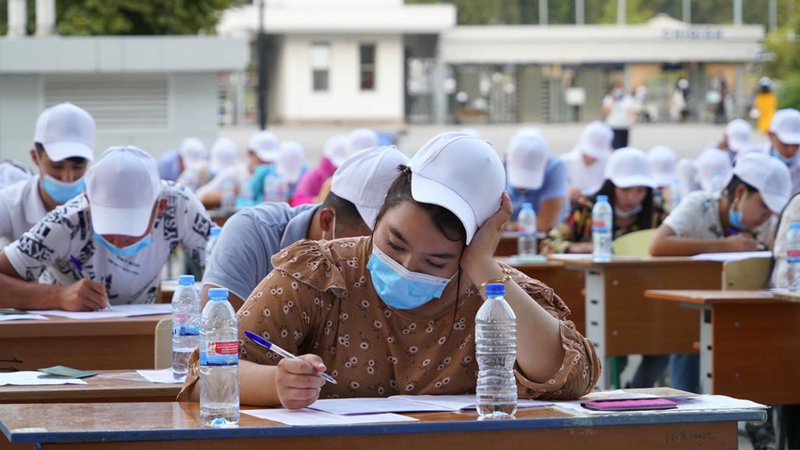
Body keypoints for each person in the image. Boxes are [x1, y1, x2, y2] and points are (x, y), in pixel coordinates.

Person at [178, 132, 600, 407]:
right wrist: (276, 384)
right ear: (378, 214)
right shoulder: (321, 274)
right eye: (394, 243)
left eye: (437, 261)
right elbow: (206, 371)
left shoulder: (491, 290)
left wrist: (481, 268)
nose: (407, 267)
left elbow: (572, 376)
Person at [0, 146, 213, 310]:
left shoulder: (180, 206)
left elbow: (228, 268)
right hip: (69, 336)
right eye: (108, 228)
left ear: (160, 208)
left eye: (131, 230)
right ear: (88, 202)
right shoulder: (68, 221)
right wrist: (57, 296)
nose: (119, 241)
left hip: (144, 332)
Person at [201, 146, 409, 310]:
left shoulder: (395, 269)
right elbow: (220, 341)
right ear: (327, 221)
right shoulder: (254, 234)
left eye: (395, 243)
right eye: (370, 240)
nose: (379, 252)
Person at [649, 152, 790, 257]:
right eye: (764, 205)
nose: (767, 216)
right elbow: (657, 245)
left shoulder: (769, 225)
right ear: (740, 193)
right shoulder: (699, 205)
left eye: (773, 210)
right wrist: (726, 246)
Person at [0, 102, 95, 244]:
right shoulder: (10, 203)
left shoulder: (101, 203)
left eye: (78, 167)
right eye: (57, 166)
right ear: (35, 157)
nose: (67, 178)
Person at [544, 147, 666, 255]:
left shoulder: (657, 213)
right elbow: (548, 244)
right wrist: (582, 248)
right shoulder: (586, 208)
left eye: (640, 191)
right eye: (625, 190)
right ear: (611, 187)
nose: (632, 197)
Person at [504, 128, 568, 232]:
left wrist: (510, 226)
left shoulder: (555, 167)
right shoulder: (500, 167)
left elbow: (546, 223)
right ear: (507, 158)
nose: (523, 186)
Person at [195, 130, 279, 209]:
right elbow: (200, 195)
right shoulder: (233, 174)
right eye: (262, 160)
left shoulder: (277, 177)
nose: (266, 165)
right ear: (250, 153)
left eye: (270, 161)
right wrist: (228, 196)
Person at [562, 121, 614, 199]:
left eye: (595, 155)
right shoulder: (564, 162)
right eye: (587, 153)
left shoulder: (609, 164)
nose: (591, 157)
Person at [292, 135, 348, 206]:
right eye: (334, 165)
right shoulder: (313, 176)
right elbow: (296, 202)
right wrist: (318, 200)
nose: (337, 168)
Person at [763, 108, 800, 192]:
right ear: (771, 135)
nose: (791, 150)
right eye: (785, 144)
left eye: (796, 145)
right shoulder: (751, 157)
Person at [602, 82, 637, 149]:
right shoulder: (609, 99)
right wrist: (613, 101)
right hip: (613, 126)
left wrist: (633, 121)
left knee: (624, 148)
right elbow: (605, 111)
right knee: (614, 147)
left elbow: (631, 111)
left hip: (624, 126)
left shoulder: (627, 99)